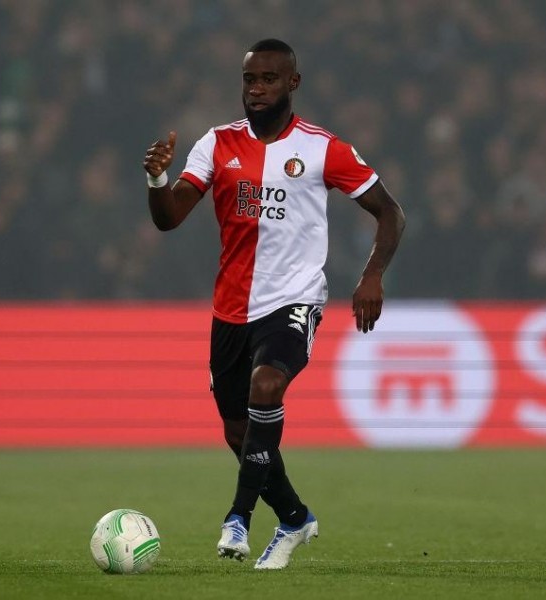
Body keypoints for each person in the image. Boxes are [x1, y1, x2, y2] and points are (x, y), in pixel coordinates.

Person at [142, 38, 405, 569]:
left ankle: (237, 518)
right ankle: (295, 518)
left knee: (268, 385)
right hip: (231, 310)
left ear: (293, 83)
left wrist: (371, 275)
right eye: (249, 80)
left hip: (295, 299)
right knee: (238, 431)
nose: (256, 89)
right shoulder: (215, 144)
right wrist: (157, 178)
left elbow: (390, 212)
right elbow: (169, 217)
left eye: (267, 79)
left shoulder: (322, 148)